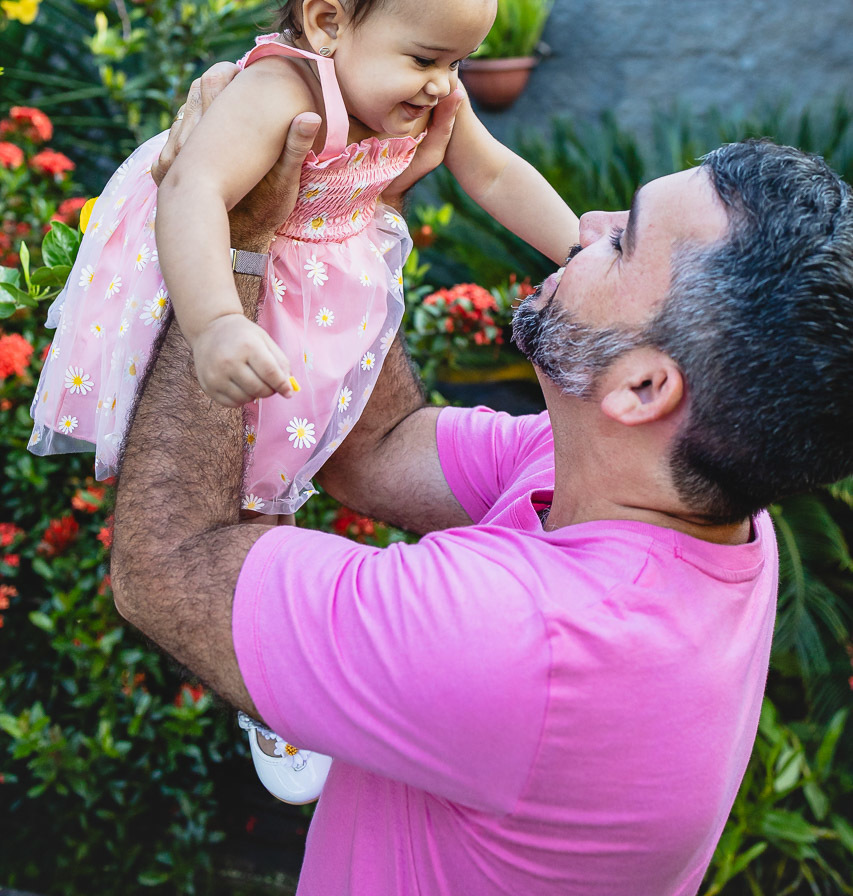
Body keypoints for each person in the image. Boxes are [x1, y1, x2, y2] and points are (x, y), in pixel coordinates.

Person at [110, 73, 853, 896]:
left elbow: (168, 565)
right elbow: (379, 448)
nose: (590, 224)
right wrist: (341, 213)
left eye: (622, 241)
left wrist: (231, 241)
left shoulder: (531, 639)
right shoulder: (681, 499)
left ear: (642, 389)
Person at [27, 0, 578, 799]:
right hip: (225, 271)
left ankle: (283, 652)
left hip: (329, 281)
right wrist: (211, 325)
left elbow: (490, 172)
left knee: (288, 460)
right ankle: (264, 680)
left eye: (455, 61)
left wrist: (580, 253)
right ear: (327, 23)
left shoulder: (421, 84)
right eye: (424, 58)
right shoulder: (280, 89)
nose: (443, 85)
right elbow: (194, 191)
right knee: (234, 467)